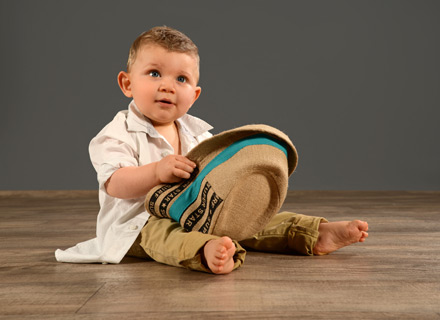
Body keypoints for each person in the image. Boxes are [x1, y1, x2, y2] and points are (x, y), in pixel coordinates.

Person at [55, 26, 368, 274]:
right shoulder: (115, 134)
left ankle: (312, 233)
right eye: (154, 73)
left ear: (194, 94)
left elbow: (214, 177)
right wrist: (156, 171)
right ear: (127, 83)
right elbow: (116, 183)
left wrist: (238, 186)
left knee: (249, 219)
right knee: (165, 235)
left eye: (181, 78)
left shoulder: (198, 134)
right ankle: (204, 252)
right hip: (138, 225)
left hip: (194, 211)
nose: (167, 85)